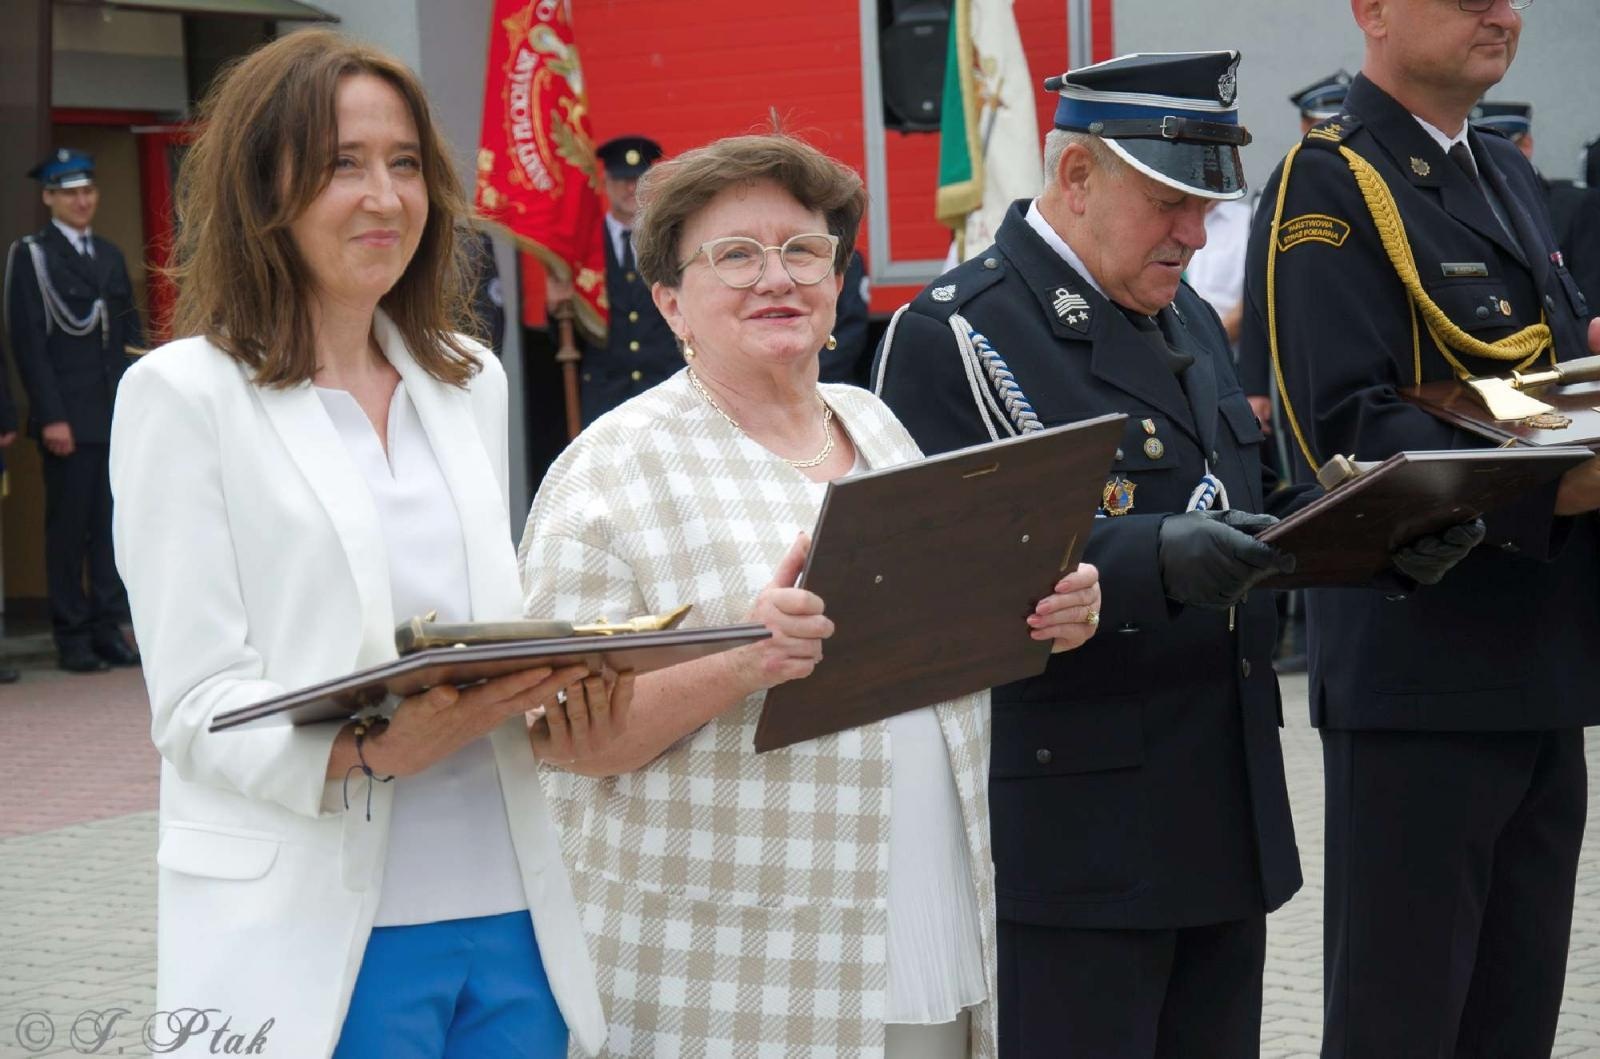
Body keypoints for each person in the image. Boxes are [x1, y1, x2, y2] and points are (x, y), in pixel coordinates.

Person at [874, 50, 1480, 1059]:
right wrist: (1147, 559)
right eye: (1169, 202)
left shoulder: (1175, 305)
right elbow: (930, 579)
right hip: (1076, 835)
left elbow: (1247, 506)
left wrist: (1379, 535)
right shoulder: (962, 331)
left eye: (1206, 206)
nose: (1197, 236)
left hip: (1215, 810)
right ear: (1074, 179)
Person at [518, 130, 1102, 1058]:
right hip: (728, 968)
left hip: (923, 914)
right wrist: (746, 656)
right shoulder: (611, 471)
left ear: (837, 284)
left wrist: (1047, 606)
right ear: (670, 300)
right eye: (736, 255)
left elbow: (935, 631)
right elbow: (559, 737)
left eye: (802, 250)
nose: (775, 277)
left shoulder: (873, 422)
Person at [108, 31, 618, 1058]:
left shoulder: (468, 379)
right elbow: (194, 705)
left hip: (508, 905)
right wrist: (374, 752)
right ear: (264, 188)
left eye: (404, 164)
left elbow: (480, 626)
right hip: (316, 921)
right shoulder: (181, 396)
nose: (385, 196)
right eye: (343, 163)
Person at [1240, 0, 1600, 1054]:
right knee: (1401, 1024)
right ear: (1375, 11)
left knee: (1513, 1019)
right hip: (1420, 668)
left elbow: (1531, 388)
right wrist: (1565, 481)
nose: (1502, 12)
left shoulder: (1500, 173)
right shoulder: (1330, 182)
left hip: (1538, 659)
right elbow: (1343, 432)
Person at [4, 148, 143, 673]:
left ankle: (109, 627)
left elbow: (126, 336)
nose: (81, 200)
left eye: (87, 191)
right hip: (68, 417)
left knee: (110, 526)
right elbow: (29, 343)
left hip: (112, 415)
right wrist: (51, 414)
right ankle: (73, 635)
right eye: (69, 192)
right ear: (48, 198)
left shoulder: (106, 253)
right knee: (68, 531)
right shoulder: (33, 255)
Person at [575, 135, 679, 423]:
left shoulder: (670, 242)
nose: (631, 188)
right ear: (606, 181)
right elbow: (568, 333)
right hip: (605, 391)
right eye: (622, 179)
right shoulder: (584, 244)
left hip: (664, 386)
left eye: (638, 179)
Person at [1476, 100, 1600, 303]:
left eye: (1492, 146)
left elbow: (1591, 296)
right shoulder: (1472, 204)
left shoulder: (1577, 205)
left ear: (1525, 144)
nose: (1480, 156)